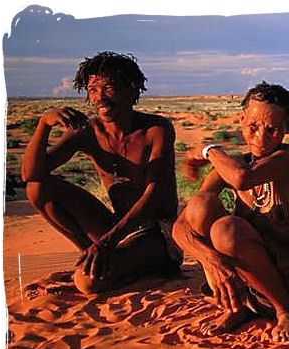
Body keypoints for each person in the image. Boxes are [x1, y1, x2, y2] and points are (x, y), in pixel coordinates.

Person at [21, 51, 180, 294]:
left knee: (88, 283)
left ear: (131, 89)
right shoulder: (88, 131)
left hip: (157, 234)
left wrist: (107, 242)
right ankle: (92, 257)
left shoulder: (156, 130)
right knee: (37, 188)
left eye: (108, 88)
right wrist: (44, 124)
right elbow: (31, 175)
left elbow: (154, 195)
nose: (99, 98)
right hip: (118, 227)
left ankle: (109, 264)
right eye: (93, 89)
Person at [172, 82, 289, 342]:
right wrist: (211, 261)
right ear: (241, 119)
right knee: (201, 204)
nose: (261, 137)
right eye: (253, 127)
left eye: (272, 129)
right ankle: (238, 307)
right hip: (244, 280)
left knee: (227, 230)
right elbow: (181, 227)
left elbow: (242, 179)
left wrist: (209, 151)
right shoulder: (234, 165)